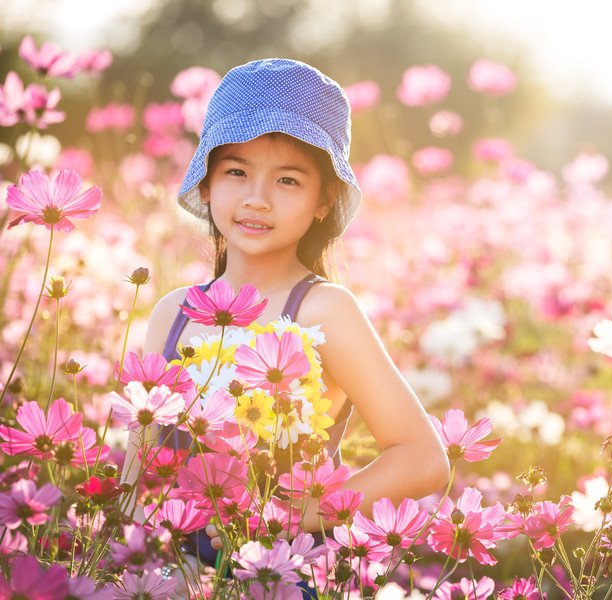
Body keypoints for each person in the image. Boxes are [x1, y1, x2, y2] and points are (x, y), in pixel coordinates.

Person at [119, 58, 450, 594]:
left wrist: (298, 516)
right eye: (236, 171)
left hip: (283, 574)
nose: (257, 197)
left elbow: (424, 459)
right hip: (172, 574)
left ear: (324, 201)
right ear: (205, 183)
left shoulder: (322, 310)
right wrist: (144, 567)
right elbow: (138, 470)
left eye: (289, 179)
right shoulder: (172, 313)